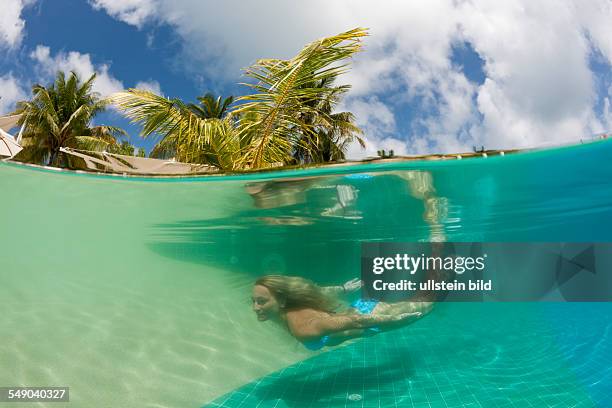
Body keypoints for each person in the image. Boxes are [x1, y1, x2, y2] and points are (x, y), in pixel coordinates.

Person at [252, 275, 434, 350]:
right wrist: (343, 288)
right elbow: (316, 292)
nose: (255, 307)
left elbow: (355, 322)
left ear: (282, 300)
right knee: (425, 298)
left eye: (261, 301)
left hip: (370, 317)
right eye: (253, 301)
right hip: (365, 312)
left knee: (429, 302)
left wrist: (395, 320)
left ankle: (440, 251)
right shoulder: (290, 305)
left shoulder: (303, 328)